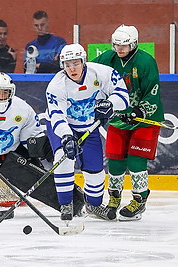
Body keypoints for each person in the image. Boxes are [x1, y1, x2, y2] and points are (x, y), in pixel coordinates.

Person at [0, 72, 85, 216]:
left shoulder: (23, 108)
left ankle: (74, 203)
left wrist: (48, 152)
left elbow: (32, 140)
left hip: (10, 152)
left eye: (5, 92)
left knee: (35, 176)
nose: (1, 96)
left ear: (12, 91)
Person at [45, 43, 129, 223]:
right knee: (64, 158)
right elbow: (57, 115)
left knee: (95, 170)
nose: (72, 68)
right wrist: (67, 136)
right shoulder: (56, 86)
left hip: (88, 126)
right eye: (67, 64)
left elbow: (122, 95)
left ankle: (93, 204)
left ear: (83, 61)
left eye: (75, 63)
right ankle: (66, 204)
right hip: (62, 127)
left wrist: (111, 104)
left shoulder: (101, 73)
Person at [92, 24, 164, 221]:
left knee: (135, 160)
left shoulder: (145, 61)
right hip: (118, 119)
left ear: (134, 44)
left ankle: (139, 201)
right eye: (116, 45)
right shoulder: (107, 58)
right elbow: (89, 73)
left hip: (145, 119)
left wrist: (139, 110)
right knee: (114, 161)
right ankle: (113, 200)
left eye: (124, 45)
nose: (120, 49)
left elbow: (153, 91)